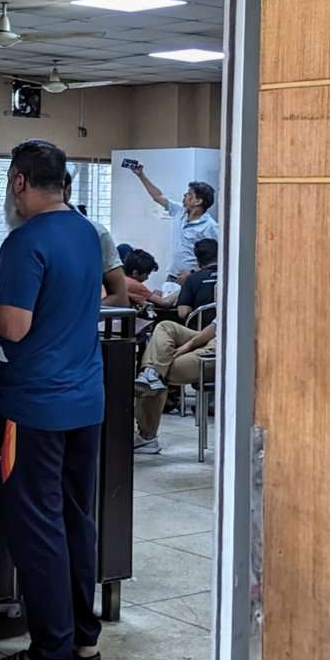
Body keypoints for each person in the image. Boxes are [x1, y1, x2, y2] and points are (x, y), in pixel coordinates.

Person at [0, 138, 104, 660]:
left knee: (38, 528)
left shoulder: (26, 241)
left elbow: (14, 327)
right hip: (86, 401)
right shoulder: (87, 232)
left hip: (35, 406)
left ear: (19, 181)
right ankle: (83, 638)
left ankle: (49, 655)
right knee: (75, 520)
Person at [134, 316, 217, 453]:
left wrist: (186, 347)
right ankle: (152, 372)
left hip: (220, 350)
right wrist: (189, 345)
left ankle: (147, 437)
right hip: (210, 338)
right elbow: (215, 326)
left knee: (161, 366)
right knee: (165, 326)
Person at [126, 162, 220, 282]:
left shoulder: (210, 226)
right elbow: (158, 197)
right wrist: (141, 175)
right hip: (173, 275)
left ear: (198, 201)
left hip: (193, 277)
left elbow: (216, 259)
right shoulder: (179, 211)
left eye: (189, 194)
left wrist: (193, 273)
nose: (184, 195)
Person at [61, 170, 126, 306]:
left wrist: (81, 313)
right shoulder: (23, 232)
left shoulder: (96, 233)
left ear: (67, 190)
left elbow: (119, 297)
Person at [175, 237, 219, 318]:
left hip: (200, 324)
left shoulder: (191, 279)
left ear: (197, 260)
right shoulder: (231, 277)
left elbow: (183, 312)